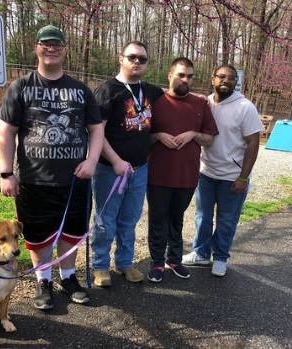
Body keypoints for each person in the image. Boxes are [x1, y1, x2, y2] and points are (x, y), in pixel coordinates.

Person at [0, 25, 104, 309]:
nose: (51, 48)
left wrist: (92, 160)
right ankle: (43, 281)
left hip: (75, 181)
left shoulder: (81, 90)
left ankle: (68, 278)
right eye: (46, 44)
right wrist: (6, 173)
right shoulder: (21, 87)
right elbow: (6, 132)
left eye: (57, 44)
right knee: (38, 234)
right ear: (37, 48)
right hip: (34, 180)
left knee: (71, 232)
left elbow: (96, 129)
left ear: (65, 49)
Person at [91, 41, 164, 287]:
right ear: (121, 59)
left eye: (142, 59)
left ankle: (123, 263)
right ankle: (100, 266)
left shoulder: (150, 91)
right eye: (132, 57)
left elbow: (176, 94)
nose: (137, 62)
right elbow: (95, 133)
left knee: (130, 220)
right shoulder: (107, 91)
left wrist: (203, 99)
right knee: (105, 220)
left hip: (139, 169)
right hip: (110, 170)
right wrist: (115, 161)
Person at [182, 64, 265, 277]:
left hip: (232, 177)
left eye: (230, 78)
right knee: (202, 215)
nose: (225, 81)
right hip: (206, 173)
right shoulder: (206, 103)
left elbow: (253, 143)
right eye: (221, 77)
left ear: (236, 82)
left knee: (227, 219)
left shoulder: (245, 107)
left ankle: (220, 257)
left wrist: (243, 177)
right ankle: (200, 253)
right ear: (213, 79)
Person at [146, 58, 218, 283]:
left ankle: (174, 260)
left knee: (177, 220)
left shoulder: (200, 104)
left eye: (189, 76)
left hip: (187, 176)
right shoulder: (154, 102)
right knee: (157, 220)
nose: (185, 80)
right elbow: (137, 138)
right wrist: (157, 136)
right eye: (180, 75)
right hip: (158, 175)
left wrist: (192, 134)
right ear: (170, 76)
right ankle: (157, 263)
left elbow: (210, 139)